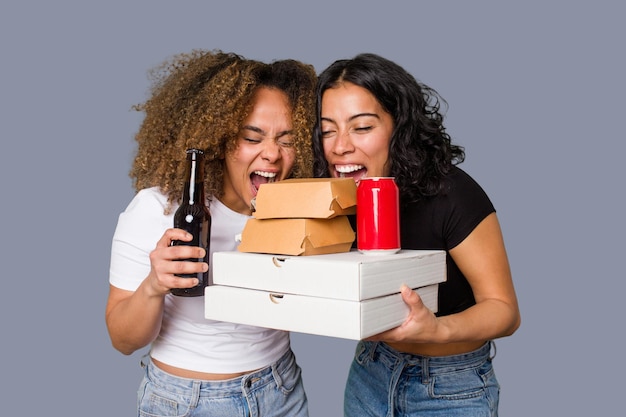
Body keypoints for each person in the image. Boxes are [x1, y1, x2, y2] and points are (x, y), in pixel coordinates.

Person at [106, 49, 316, 417]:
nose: (272, 154)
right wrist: (154, 285)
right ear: (219, 141)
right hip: (186, 401)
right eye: (253, 138)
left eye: (286, 139)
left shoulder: (296, 209)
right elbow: (123, 340)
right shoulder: (158, 209)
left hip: (281, 390)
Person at [312, 53, 521, 416]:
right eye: (328, 129)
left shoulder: (452, 193)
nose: (340, 146)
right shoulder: (337, 197)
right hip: (371, 371)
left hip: (451, 386)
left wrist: (436, 330)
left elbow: (505, 311)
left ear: (400, 128)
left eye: (361, 127)